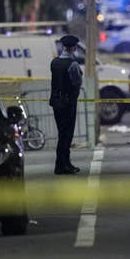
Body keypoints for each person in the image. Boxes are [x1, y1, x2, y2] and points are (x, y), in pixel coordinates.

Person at [49, 35, 83, 175]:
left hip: (56, 102)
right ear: (74, 48)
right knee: (66, 135)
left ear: (63, 47)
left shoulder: (54, 62)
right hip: (68, 103)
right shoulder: (73, 64)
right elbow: (77, 83)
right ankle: (63, 165)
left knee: (62, 134)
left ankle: (61, 164)